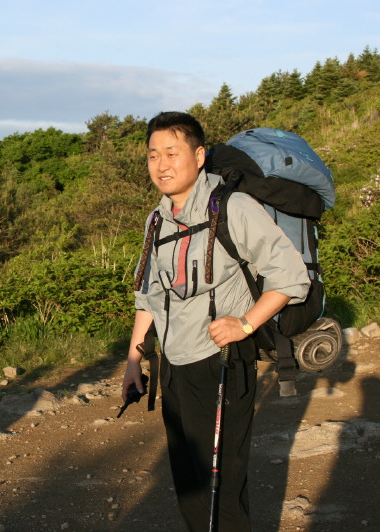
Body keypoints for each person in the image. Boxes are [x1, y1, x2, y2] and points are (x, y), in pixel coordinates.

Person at [122, 111, 310, 531]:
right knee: (188, 482)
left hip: (221, 359)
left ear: (199, 155)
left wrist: (244, 324)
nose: (161, 164)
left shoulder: (234, 208)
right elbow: (150, 294)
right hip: (172, 364)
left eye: (172, 153)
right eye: (153, 155)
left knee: (220, 485)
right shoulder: (157, 219)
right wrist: (134, 359)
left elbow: (290, 277)